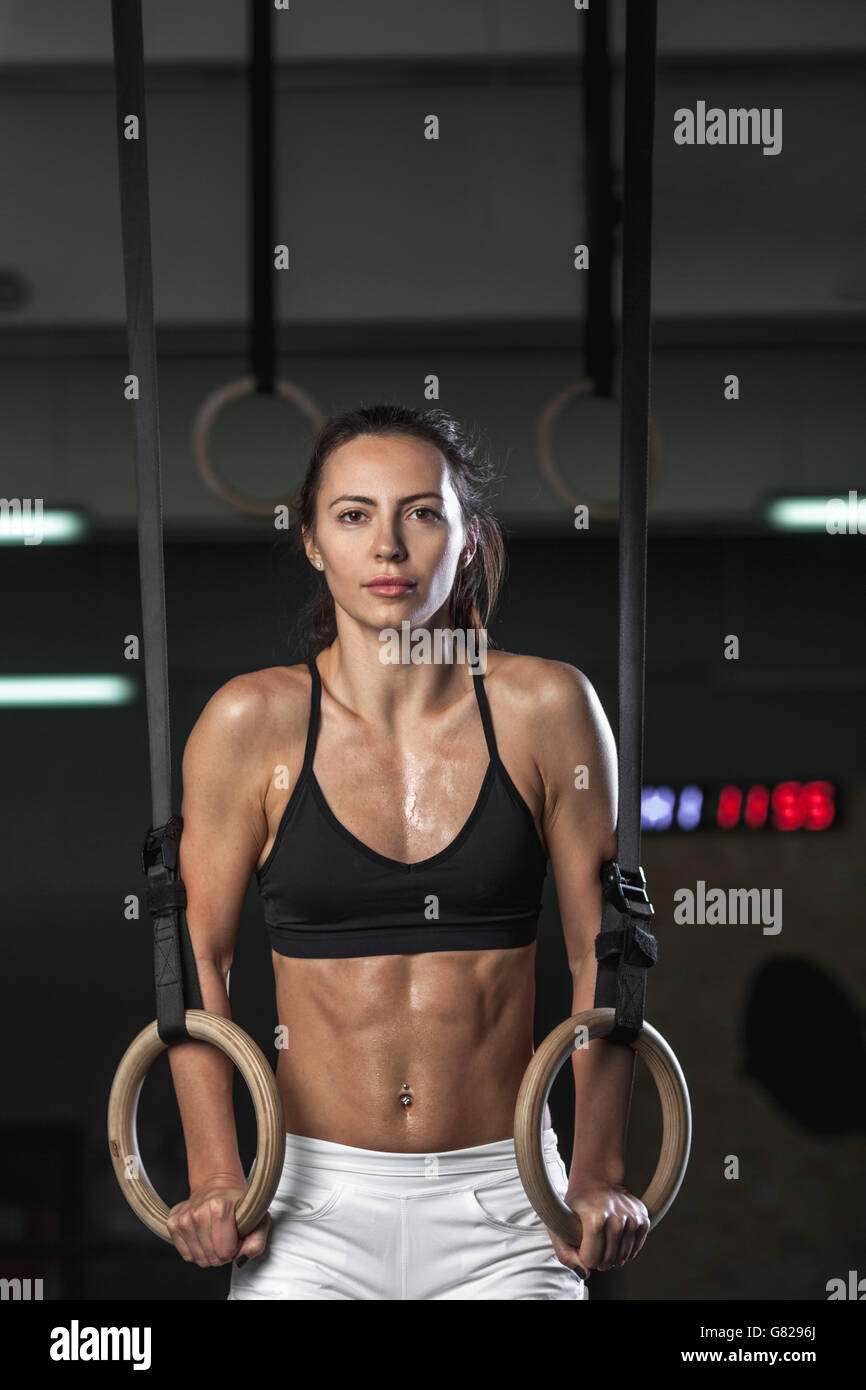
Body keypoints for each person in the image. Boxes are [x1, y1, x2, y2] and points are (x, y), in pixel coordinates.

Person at [164, 404, 649, 1300]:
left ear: (468, 539)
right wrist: (218, 1172)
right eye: (353, 515)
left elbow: (603, 953)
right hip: (309, 1208)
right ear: (313, 542)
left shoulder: (547, 708)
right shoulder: (251, 721)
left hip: (507, 1205)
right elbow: (195, 958)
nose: (387, 546)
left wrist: (595, 1171)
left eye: (421, 512)